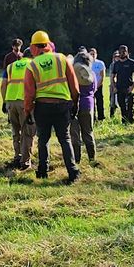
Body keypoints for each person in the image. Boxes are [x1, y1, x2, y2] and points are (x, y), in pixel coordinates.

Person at [23, 30, 81, 183]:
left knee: (43, 140)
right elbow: (74, 85)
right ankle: (73, 172)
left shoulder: (32, 65)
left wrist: (28, 112)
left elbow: (29, 94)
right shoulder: (62, 58)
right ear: (48, 45)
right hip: (63, 105)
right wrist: (75, 103)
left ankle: (43, 172)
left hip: (43, 107)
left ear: (33, 48)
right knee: (65, 138)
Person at [1, 47, 35, 169]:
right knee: (27, 132)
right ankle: (25, 162)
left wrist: (4, 101)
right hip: (24, 102)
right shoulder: (32, 65)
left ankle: (17, 156)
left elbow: (3, 85)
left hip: (11, 102)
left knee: (16, 132)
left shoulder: (11, 66)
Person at [70, 50, 97, 163]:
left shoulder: (72, 73)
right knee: (88, 133)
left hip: (73, 106)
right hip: (88, 105)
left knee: (75, 135)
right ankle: (92, 158)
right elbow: (94, 89)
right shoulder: (92, 74)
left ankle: (76, 160)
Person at [111, 45, 134, 124]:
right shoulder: (116, 64)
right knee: (122, 106)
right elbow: (112, 76)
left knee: (130, 106)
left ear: (127, 52)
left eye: (124, 52)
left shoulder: (131, 62)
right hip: (119, 88)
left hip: (128, 87)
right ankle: (124, 122)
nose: (122, 54)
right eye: (120, 52)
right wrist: (114, 87)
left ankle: (131, 121)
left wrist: (132, 86)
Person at [89, 48, 106, 121]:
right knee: (91, 103)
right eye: (91, 54)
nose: (92, 55)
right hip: (89, 86)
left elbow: (102, 76)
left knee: (99, 102)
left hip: (99, 85)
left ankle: (101, 117)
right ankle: (93, 118)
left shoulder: (100, 63)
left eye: (94, 54)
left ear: (96, 54)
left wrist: (98, 85)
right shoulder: (87, 63)